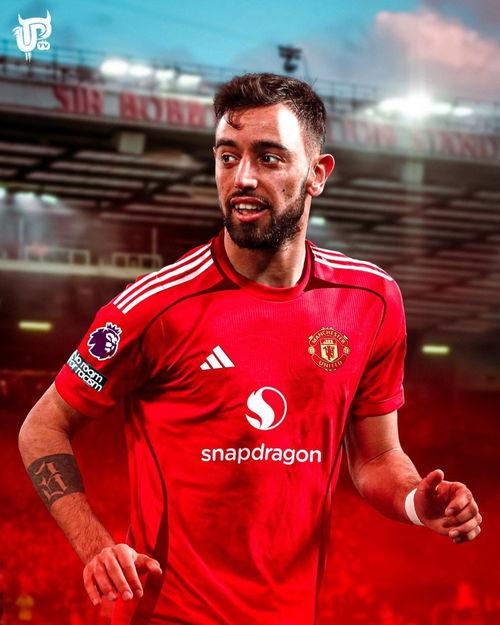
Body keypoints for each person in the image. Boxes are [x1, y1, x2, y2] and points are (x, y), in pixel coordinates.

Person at [18, 73, 482, 625]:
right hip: (165, 614)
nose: (242, 177)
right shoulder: (154, 306)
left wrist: (414, 503)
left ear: (317, 173)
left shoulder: (371, 300)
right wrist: (95, 546)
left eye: (268, 158)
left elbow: (377, 458)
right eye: (227, 156)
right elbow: (41, 426)